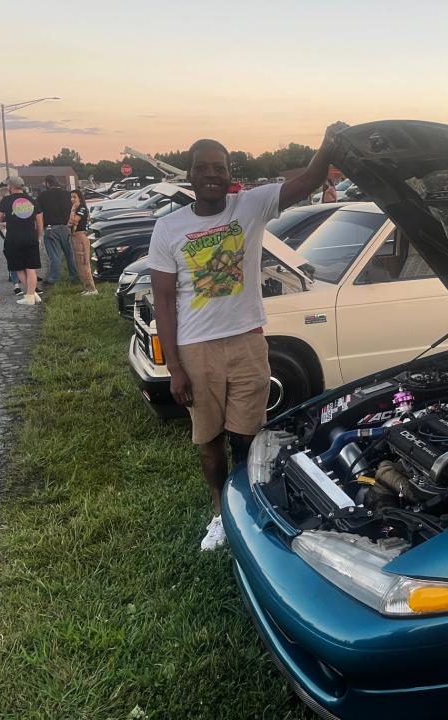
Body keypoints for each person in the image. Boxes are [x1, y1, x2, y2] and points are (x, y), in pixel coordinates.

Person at [147, 121, 348, 550]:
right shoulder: (168, 229)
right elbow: (164, 301)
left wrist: (329, 143)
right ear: (191, 174)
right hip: (196, 348)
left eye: (219, 168)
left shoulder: (250, 206)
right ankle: (220, 513)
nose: (212, 175)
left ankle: (248, 506)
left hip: (247, 342)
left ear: (229, 172)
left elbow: (310, 180)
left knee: (248, 436)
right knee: (208, 440)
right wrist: (174, 367)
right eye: (203, 168)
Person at [0, 176, 43, 306]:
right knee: (31, 268)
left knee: (19, 268)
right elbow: (39, 221)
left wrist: (7, 216)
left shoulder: (7, 200)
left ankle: (30, 296)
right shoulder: (32, 200)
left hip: (14, 239)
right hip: (30, 237)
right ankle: (33, 295)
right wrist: (38, 236)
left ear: (11, 186)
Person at [36, 175, 77, 285]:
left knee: (54, 255)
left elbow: (37, 212)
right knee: (70, 254)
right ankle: (75, 276)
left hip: (50, 228)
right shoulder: (67, 195)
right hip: (66, 227)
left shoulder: (43, 196)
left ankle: (54, 278)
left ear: (48, 183)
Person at [69, 189, 98, 296]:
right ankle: (86, 287)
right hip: (75, 236)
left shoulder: (80, 208)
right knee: (79, 265)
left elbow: (74, 220)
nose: (72, 199)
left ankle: (92, 289)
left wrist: (72, 210)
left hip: (81, 236)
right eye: (71, 197)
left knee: (84, 263)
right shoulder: (76, 208)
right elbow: (69, 223)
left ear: (79, 198)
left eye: (74, 197)